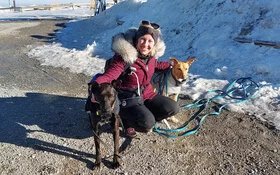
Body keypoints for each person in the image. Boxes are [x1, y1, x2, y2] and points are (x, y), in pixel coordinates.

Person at [92, 20, 179, 136]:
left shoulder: (150, 56)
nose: (145, 44)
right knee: (147, 123)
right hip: (128, 98)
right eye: (142, 39)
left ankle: (145, 116)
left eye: (150, 41)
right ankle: (126, 121)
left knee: (173, 108)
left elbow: (155, 66)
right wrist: (95, 84)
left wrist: (173, 66)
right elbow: (111, 74)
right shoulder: (124, 57)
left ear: (154, 44)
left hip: (146, 94)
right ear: (137, 39)